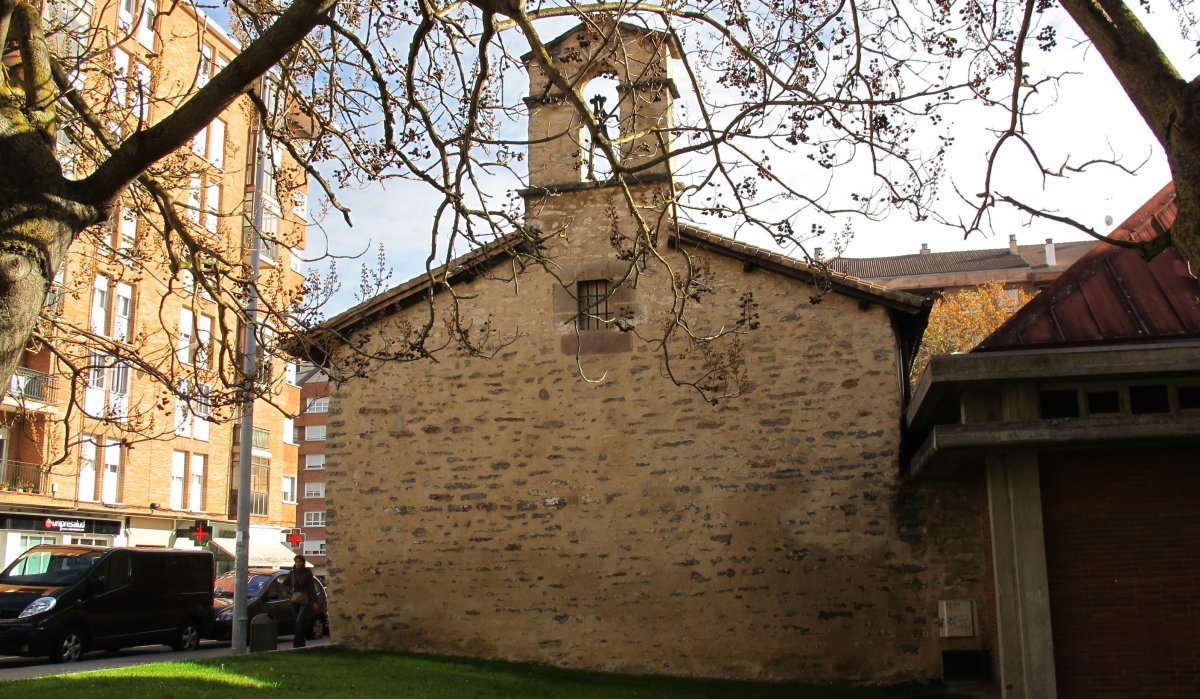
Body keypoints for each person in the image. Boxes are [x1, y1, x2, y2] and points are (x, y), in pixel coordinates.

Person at [284, 554, 318, 648]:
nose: (298, 564)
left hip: (304, 598)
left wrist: (314, 601)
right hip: (294, 598)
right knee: (297, 621)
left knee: (299, 620)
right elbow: (285, 584)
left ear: (303, 563)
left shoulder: (307, 573)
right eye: (296, 562)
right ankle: (301, 643)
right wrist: (289, 591)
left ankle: (297, 643)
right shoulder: (292, 573)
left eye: (300, 562)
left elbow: (312, 587)